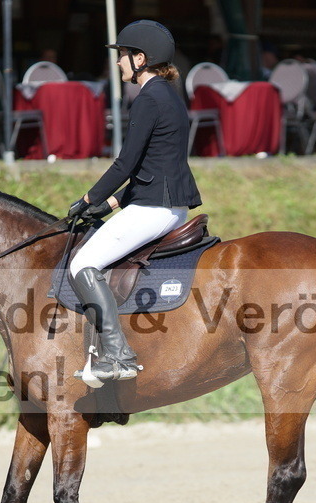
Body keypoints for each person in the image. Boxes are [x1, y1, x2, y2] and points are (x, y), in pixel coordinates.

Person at [66, 20, 202, 383]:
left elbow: (125, 164)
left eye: (123, 56)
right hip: (169, 205)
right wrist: (108, 204)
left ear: (140, 59)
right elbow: (151, 166)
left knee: (82, 264)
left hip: (154, 209)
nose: (119, 63)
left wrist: (87, 197)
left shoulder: (148, 99)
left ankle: (118, 355)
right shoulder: (170, 95)